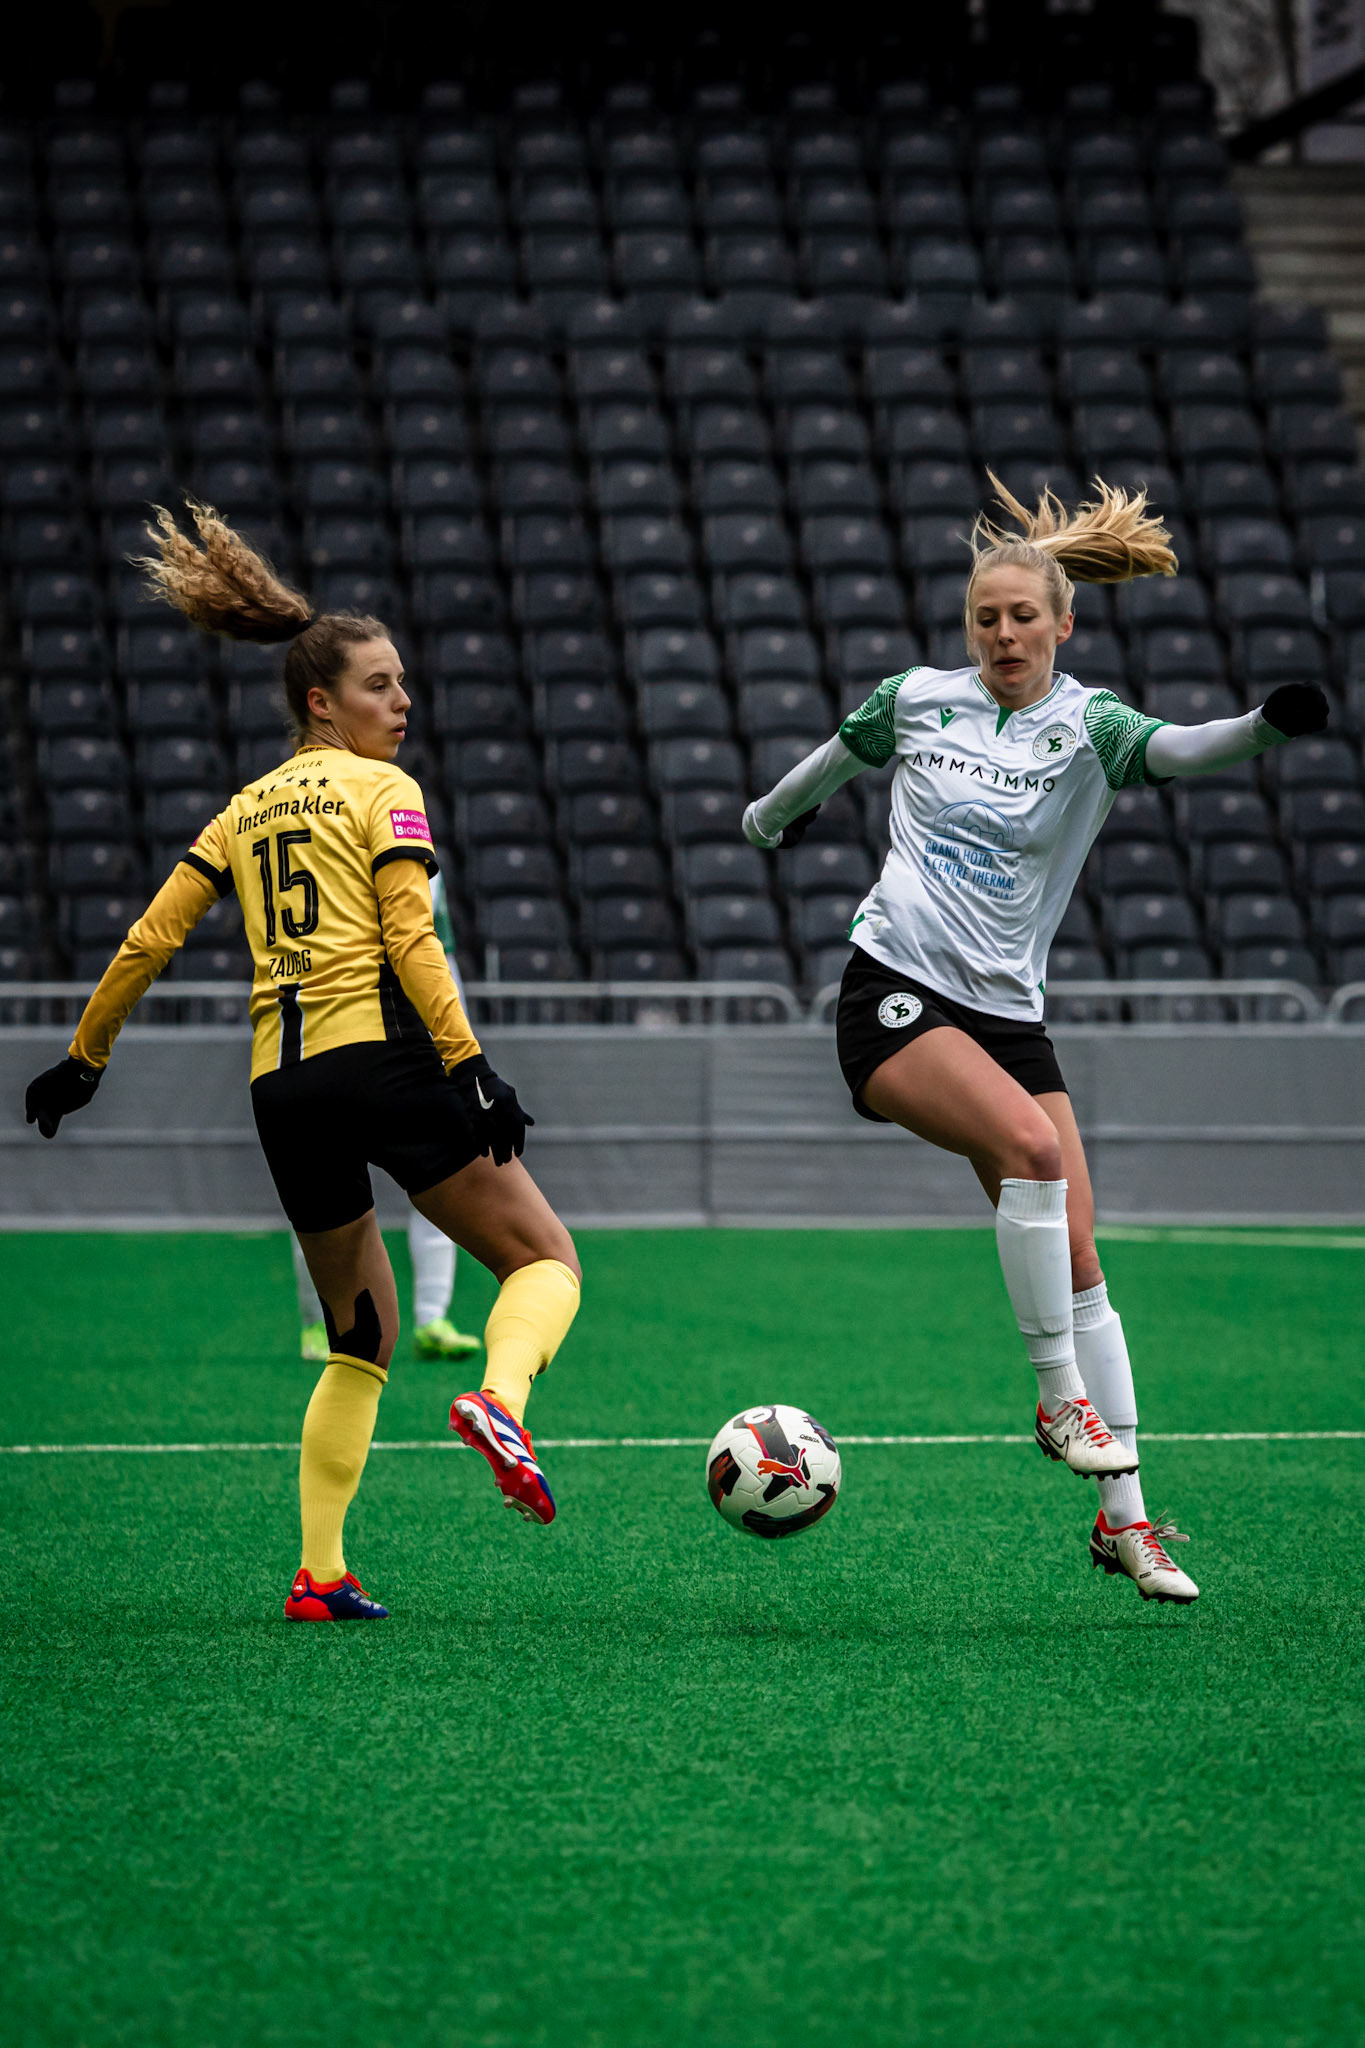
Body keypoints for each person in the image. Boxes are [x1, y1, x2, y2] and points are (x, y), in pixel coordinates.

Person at [744, 475, 1329, 1606]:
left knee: (1083, 1262)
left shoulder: (1091, 723)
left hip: (1010, 1015)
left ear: (1065, 622)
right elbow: (831, 759)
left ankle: (1131, 1526)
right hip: (897, 993)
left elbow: (1180, 749)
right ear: (967, 626)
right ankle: (1056, 1397)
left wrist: (1262, 729)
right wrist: (769, 819)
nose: (1002, 633)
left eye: (1022, 616)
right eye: (984, 616)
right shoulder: (917, 698)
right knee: (1032, 1149)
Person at [24, 504, 582, 1623]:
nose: (403, 701)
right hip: (383, 1053)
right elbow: (412, 937)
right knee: (545, 1260)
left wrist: (84, 1059)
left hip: (281, 1087)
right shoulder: (384, 790)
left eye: (405, 682)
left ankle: (320, 1571)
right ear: (320, 700)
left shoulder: (241, 808)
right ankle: (501, 1398)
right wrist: (469, 1063)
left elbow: (149, 937)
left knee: (359, 1334)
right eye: (380, 685)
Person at [292, 873, 483, 1365]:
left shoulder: (415, 845)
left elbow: (435, 950)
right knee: (327, 1196)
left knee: (447, 1178)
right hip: (347, 1032)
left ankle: (432, 1316)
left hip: (424, 1036)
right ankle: (318, 1321)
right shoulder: (346, 847)